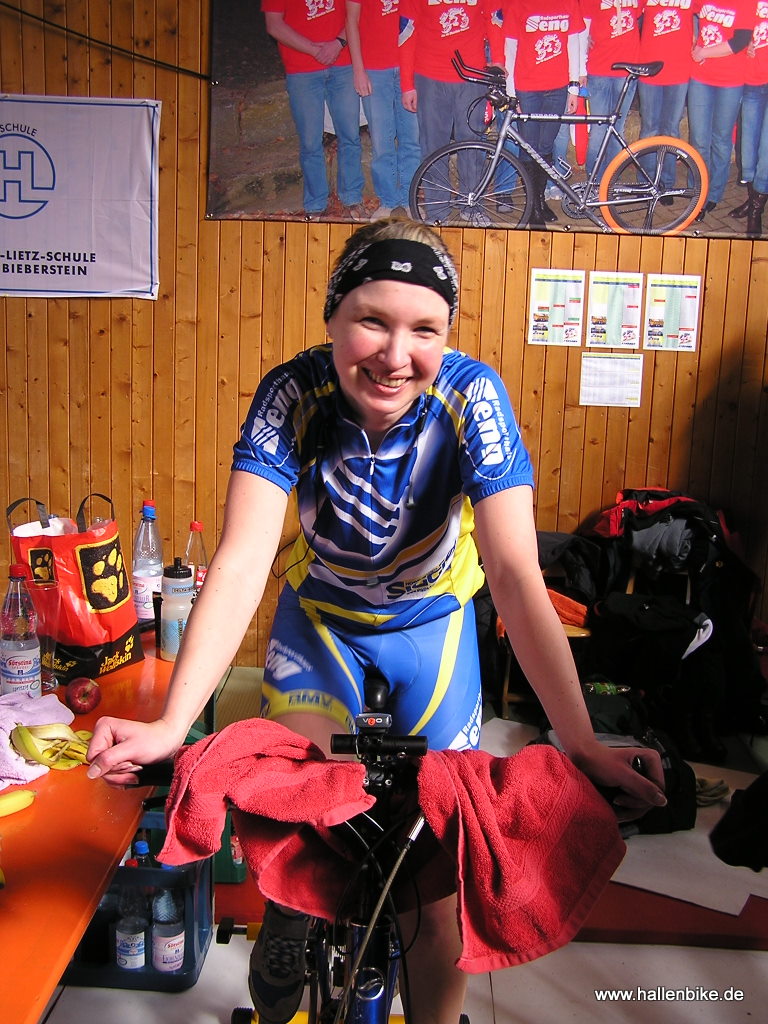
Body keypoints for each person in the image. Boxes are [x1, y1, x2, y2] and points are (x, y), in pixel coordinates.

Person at [87, 218, 666, 1024]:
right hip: (322, 624)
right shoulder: (294, 393)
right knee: (306, 801)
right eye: (372, 320)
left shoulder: (472, 396)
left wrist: (582, 741)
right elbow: (244, 560)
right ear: (332, 317)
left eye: (425, 328)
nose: (396, 355)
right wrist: (171, 725)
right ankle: (293, 903)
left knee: (434, 881)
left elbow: (513, 574)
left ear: (447, 335)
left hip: (432, 629)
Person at [398, 0, 504, 223]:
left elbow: (494, 18)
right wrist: (407, 84)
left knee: (473, 144)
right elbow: (407, 31)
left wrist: (498, 62)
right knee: (433, 146)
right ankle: (437, 210)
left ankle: (472, 205)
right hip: (429, 76)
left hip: (473, 75)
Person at [261, 0, 366, 220]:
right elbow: (274, 25)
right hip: (302, 69)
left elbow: (358, 11)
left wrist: (338, 43)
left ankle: (352, 197)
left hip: (343, 63)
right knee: (310, 141)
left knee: (350, 135)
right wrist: (313, 49)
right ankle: (316, 203)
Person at [497, 0, 586, 226]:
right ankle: (532, 206)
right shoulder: (518, 5)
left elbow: (573, 44)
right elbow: (510, 48)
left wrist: (573, 87)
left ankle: (539, 199)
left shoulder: (568, 3)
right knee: (529, 147)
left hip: (557, 88)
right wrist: (511, 92)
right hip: (527, 88)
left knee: (546, 147)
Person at [345, 0, 421, 218]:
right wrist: (358, 70)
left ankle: (409, 198)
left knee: (412, 138)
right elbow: (351, 20)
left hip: (410, 65)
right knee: (381, 140)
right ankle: (388, 200)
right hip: (374, 68)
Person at [688, 0, 754, 220]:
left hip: (730, 81)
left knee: (721, 139)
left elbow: (739, 41)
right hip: (700, 77)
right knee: (698, 139)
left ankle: (713, 194)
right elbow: (687, 12)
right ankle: (698, 190)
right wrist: (692, 37)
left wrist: (704, 51)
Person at [637, 0, 696, 200]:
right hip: (649, 70)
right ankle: (646, 182)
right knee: (650, 129)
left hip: (679, 71)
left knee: (671, 130)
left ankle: (666, 183)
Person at [580, 0, 645, 177]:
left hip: (627, 70)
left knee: (617, 127)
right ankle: (595, 180)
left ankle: (611, 179)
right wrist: (581, 69)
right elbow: (583, 29)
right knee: (599, 128)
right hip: (599, 69)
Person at [730, 5, 768, 234]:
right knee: (748, 149)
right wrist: (746, 44)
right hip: (753, 80)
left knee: (766, 150)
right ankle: (754, 197)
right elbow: (735, 32)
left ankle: (756, 210)